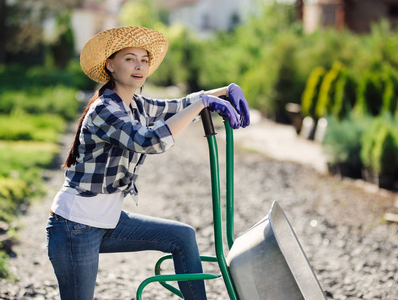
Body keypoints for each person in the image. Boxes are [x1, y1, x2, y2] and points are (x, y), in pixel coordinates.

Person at [45, 26, 250, 300]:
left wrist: (224, 91)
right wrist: (202, 103)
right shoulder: (105, 109)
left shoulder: (136, 105)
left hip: (106, 222)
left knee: (183, 237)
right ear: (111, 65)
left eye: (144, 59)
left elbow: (178, 106)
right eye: (129, 58)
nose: (139, 65)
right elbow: (150, 141)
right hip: (75, 227)